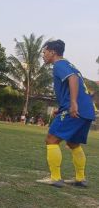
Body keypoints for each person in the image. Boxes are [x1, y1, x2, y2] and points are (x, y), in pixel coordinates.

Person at [36, 40, 96, 187]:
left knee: (51, 140)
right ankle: (80, 178)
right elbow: (71, 87)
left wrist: (73, 103)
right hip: (87, 110)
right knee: (73, 143)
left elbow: (73, 79)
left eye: (44, 52)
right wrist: (62, 106)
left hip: (76, 109)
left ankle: (55, 178)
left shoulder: (59, 64)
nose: (43, 55)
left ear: (52, 52)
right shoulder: (69, 64)